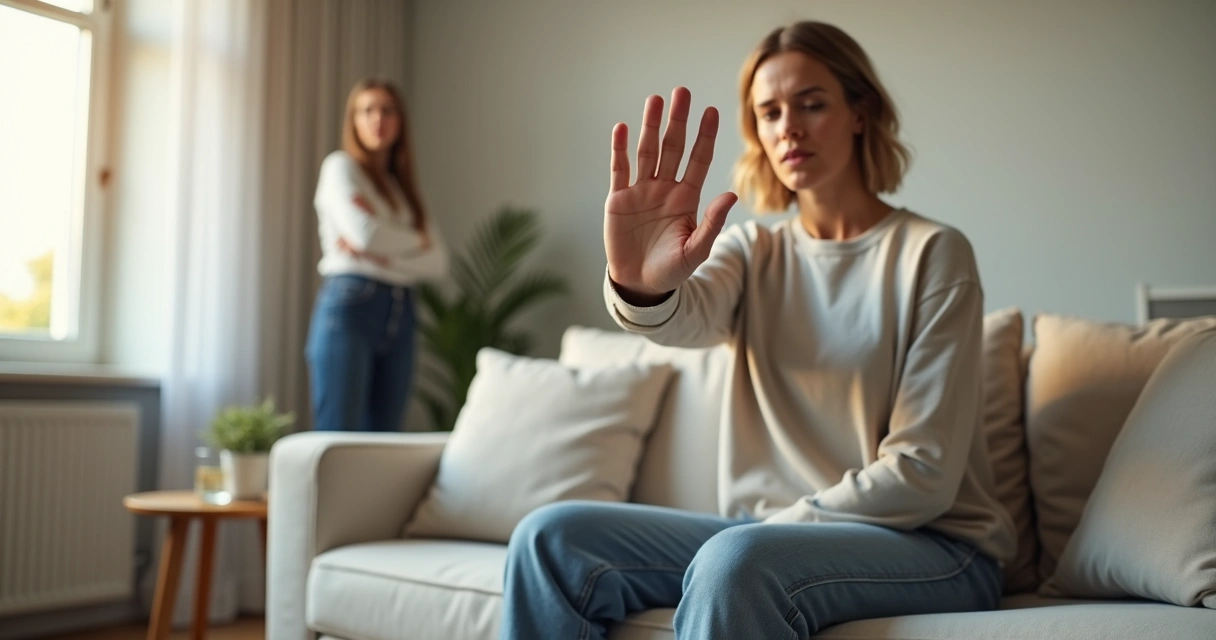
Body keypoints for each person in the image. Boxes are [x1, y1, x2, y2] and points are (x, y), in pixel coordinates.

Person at [500, 21, 1016, 639]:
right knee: (549, 540)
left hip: (933, 545)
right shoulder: (752, 252)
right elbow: (682, 318)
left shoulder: (933, 253)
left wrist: (771, 530)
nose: (788, 127)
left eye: (811, 104)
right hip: (767, 537)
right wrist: (642, 281)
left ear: (860, 112)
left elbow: (924, 474)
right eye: (769, 113)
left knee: (733, 561)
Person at [305, 79, 448, 433]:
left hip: (402, 312)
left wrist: (383, 253)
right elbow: (367, 234)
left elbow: (439, 261)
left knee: (382, 445)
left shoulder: (405, 191)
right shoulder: (340, 169)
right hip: (351, 305)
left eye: (387, 110)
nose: (377, 119)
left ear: (400, 121)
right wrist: (416, 242)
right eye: (366, 110)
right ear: (353, 120)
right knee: (338, 438)